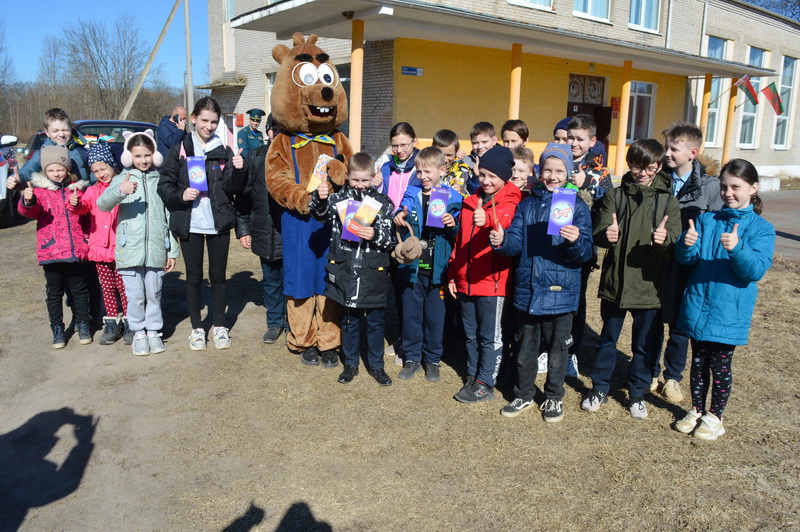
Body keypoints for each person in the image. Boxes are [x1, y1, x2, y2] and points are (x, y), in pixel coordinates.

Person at [673, 158, 774, 440]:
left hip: (729, 311)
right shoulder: (708, 219)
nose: (728, 193)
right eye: (724, 186)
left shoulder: (761, 229)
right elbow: (687, 259)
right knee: (698, 361)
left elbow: (754, 271)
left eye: (736, 187)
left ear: (753, 188)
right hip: (698, 303)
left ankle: (715, 416)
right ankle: (696, 409)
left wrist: (738, 248)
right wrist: (686, 243)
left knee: (719, 366)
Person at [492, 143, 594, 422]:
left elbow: (586, 255)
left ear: (568, 174)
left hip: (561, 292)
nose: (552, 176)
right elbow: (515, 244)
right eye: (547, 169)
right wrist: (502, 242)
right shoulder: (526, 205)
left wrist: (575, 241)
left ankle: (553, 398)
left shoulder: (578, 207)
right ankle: (523, 393)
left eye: (559, 170)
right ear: (538, 171)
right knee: (525, 348)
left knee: (558, 350)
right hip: (528, 289)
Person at [583, 139, 681, 420]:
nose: (640, 172)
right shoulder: (615, 195)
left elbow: (674, 241)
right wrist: (605, 236)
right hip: (616, 283)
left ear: (659, 167)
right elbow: (600, 228)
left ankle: (637, 393)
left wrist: (665, 241)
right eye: (635, 166)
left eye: (648, 167)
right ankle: (599, 387)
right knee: (607, 339)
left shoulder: (668, 201)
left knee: (643, 345)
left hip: (649, 287)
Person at [158, 97, 248, 351]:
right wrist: (180, 194)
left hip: (217, 221)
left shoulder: (224, 151)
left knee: (218, 276)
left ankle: (219, 325)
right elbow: (164, 185)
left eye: (214, 122)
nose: (208, 126)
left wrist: (239, 170)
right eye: (204, 120)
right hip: (190, 223)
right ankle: (198, 328)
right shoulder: (180, 149)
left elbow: (233, 188)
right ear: (194, 119)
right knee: (194, 277)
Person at [309, 152, 396, 384]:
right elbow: (318, 215)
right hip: (346, 270)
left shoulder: (383, 203)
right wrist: (320, 198)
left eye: (365, 180)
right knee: (349, 321)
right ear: (347, 175)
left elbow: (391, 241)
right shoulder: (338, 200)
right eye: (355, 180)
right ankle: (350, 364)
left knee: (376, 322)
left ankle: (377, 366)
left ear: (373, 177)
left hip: (372, 272)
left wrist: (375, 234)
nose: (360, 185)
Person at [654, 121, 723, 402]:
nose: (667, 153)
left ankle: (672, 377)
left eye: (674, 148)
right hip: (657, 261)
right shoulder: (658, 179)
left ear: (693, 152)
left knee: (680, 324)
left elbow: (716, 229)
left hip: (688, 266)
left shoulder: (710, 188)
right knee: (653, 319)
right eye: (666, 147)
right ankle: (648, 371)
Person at [449, 145, 522, 403]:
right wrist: (452, 275)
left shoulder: (512, 199)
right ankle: (473, 373)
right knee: (470, 333)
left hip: (492, 283)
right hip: (466, 280)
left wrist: (488, 220)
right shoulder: (471, 201)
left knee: (490, 336)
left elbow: (504, 219)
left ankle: (486, 382)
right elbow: (459, 242)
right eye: (483, 175)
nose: (486, 181)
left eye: (493, 176)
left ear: (505, 176)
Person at [98, 131, 179, 356]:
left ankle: (153, 331)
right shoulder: (121, 179)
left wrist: (171, 250)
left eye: (147, 155)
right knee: (135, 296)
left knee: (154, 293)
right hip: (129, 251)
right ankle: (138, 333)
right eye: (137, 156)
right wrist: (120, 191)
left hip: (155, 249)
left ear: (154, 155)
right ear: (129, 157)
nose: (143, 160)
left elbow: (168, 216)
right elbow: (102, 204)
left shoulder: (160, 181)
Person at [393, 147, 461, 383]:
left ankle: (432, 359)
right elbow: (399, 213)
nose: (423, 176)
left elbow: (460, 234)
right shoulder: (410, 193)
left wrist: (453, 224)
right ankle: (411, 357)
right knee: (411, 315)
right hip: (412, 269)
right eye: (419, 171)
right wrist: (399, 217)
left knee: (435, 318)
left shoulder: (453, 198)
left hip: (438, 271)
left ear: (442, 170)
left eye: (428, 171)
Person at [18, 145, 92, 348]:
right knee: (54, 292)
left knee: (79, 289)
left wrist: (86, 239)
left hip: (76, 249)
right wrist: (28, 200)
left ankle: (83, 323)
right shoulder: (40, 192)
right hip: (51, 250)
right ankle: (57, 329)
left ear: (67, 169)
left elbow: (85, 215)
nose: (56, 173)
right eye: (51, 170)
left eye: (60, 168)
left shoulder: (77, 189)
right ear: (45, 171)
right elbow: (29, 213)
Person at [69, 142, 129, 345]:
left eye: (103, 168)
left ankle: (129, 321)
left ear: (112, 165)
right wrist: (74, 202)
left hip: (121, 247)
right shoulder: (93, 191)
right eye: (95, 171)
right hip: (99, 247)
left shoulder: (122, 187)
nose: (100, 174)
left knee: (124, 287)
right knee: (107, 287)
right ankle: (111, 322)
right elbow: (82, 207)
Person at [235, 119, 287, 344]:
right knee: (271, 280)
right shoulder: (255, 157)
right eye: (278, 130)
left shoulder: (295, 158)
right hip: (265, 228)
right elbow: (244, 196)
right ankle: (275, 322)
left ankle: (293, 324)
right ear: (269, 131)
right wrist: (244, 228)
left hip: (290, 232)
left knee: (292, 280)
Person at [17, 108, 90, 185]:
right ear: (47, 132)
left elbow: (95, 174)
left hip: (82, 195)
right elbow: (29, 169)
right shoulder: (42, 153)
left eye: (65, 130)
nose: (61, 135)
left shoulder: (81, 150)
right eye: (55, 131)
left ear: (71, 129)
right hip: (53, 195)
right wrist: (19, 178)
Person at [444, 121, 498, 197]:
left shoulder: (502, 161)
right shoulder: (466, 162)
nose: (480, 146)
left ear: (494, 140)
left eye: (484, 142)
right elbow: (470, 192)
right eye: (475, 143)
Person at [373, 122, 420, 209]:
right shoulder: (385, 167)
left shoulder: (422, 168)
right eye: (395, 146)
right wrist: (376, 185)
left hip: (411, 220)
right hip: (388, 219)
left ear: (414, 142)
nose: (399, 150)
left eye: (404, 145)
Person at [566, 114, 612, 201]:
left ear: (592, 141)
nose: (574, 143)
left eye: (580, 139)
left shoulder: (601, 173)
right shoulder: (557, 164)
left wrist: (586, 183)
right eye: (571, 138)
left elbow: (607, 202)